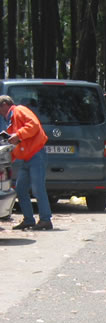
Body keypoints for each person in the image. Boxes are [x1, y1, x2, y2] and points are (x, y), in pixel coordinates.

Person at [0, 95, 53, 231]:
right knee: (21, 189)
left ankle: (45, 220)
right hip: (26, 159)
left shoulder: (19, 110)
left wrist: (18, 135)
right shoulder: (9, 121)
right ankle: (29, 220)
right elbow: (15, 144)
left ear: (5, 105)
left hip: (36, 155)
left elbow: (34, 125)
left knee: (38, 188)